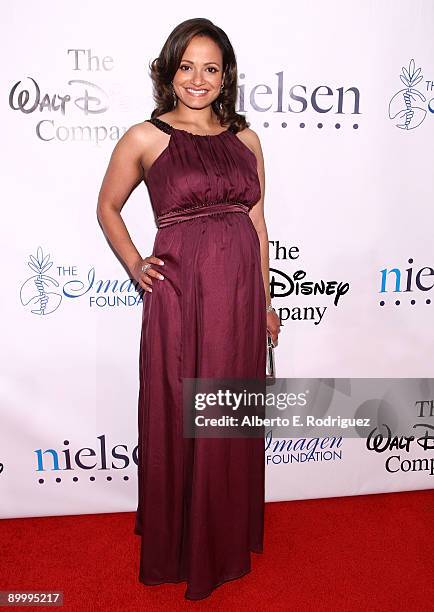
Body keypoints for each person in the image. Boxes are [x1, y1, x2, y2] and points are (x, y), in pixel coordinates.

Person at [96, 17, 281, 601]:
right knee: (182, 410)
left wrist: (267, 302)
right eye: (187, 66)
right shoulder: (145, 137)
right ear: (169, 69)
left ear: (225, 77)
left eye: (211, 68)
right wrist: (133, 263)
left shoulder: (246, 139)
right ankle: (183, 538)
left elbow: (256, 222)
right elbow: (107, 207)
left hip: (239, 298)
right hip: (180, 298)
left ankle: (224, 533)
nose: (197, 79)